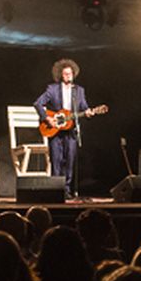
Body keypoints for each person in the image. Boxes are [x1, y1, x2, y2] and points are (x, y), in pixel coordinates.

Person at [33, 59, 92, 198]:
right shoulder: (52, 89)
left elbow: (84, 107)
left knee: (70, 159)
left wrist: (89, 112)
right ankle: (55, 189)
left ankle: (66, 190)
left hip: (71, 129)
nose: (68, 76)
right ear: (60, 75)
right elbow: (38, 103)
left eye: (70, 74)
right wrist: (47, 118)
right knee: (56, 159)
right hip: (55, 129)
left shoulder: (79, 91)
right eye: (65, 74)